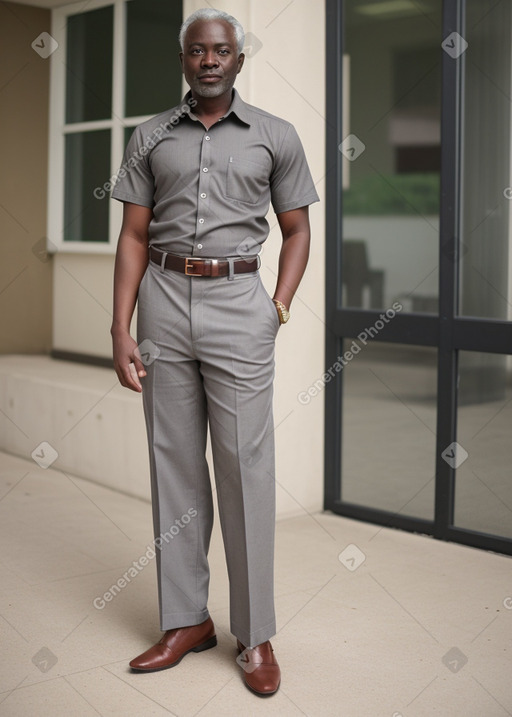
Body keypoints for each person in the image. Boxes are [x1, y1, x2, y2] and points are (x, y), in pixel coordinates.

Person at [110, 7, 319, 697]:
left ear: (238, 58)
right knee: (174, 466)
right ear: (183, 60)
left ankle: (254, 633)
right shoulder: (148, 137)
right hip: (163, 305)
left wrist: (278, 306)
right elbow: (134, 236)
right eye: (197, 50)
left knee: (245, 468)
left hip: (238, 304)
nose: (209, 60)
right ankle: (185, 619)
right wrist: (120, 326)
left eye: (221, 50)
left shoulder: (275, 137)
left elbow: (296, 229)